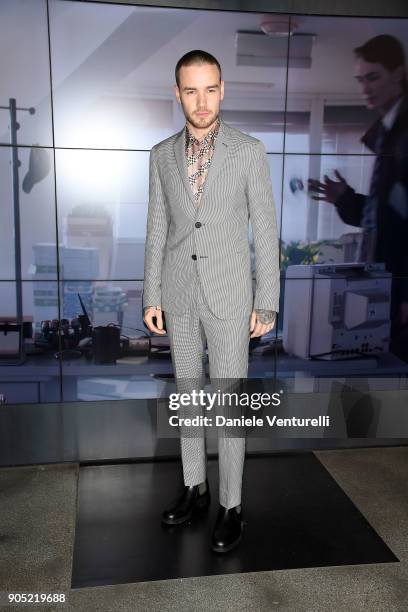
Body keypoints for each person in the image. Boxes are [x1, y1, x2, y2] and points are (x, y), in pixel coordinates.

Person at [143, 50, 280, 553]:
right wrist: (151, 294)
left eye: (210, 89)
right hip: (178, 292)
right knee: (188, 399)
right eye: (191, 90)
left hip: (229, 294)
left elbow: (265, 232)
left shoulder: (249, 151)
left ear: (222, 89)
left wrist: (267, 302)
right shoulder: (160, 154)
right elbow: (157, 229)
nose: (201, 101)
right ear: (176, 92)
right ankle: (195, 488)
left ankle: (231, 505)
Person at [308, 34, 408, 361]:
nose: (365, 87)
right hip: (388, 283)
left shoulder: (401, 134)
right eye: (361, 79)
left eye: (374, 77)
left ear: (399, 73)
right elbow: (391, 215)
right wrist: (345, 199)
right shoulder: (387, 133)